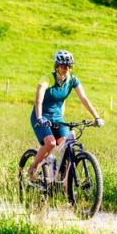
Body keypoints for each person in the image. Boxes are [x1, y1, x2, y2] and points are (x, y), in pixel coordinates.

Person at [27, 50, 104, 179]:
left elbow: (84, 99)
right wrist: (39, 117)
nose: (66, 68)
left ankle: (61, 179)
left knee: (67, 144)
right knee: (50, 143)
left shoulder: (72, 80)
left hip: (57, 118)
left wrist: (96, 117)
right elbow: (38, 100)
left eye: (69, 66)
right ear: (57, 66)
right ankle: (32, 167)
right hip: (41, 116)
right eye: (63, 65)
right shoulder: (48, 78)